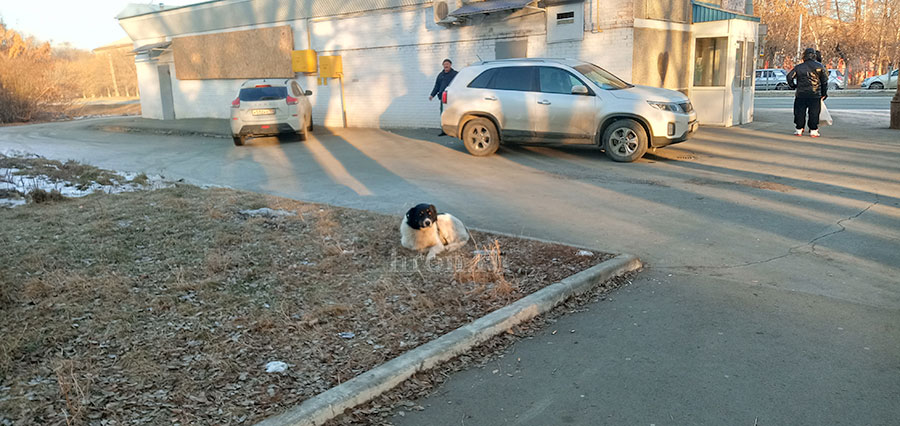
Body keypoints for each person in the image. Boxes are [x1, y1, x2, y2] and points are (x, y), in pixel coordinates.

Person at [786, 47, 828, 137]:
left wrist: (793, 86)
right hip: (815, 93)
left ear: (804, 56)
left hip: (801, 93)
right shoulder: (820, 66)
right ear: (814, 56)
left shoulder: (798, 67)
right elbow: (824, 81)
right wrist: (824, 93)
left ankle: (799, 129)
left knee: (799, 111)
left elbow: (789, 77)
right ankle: (813, 130)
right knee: (814, 112)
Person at [429, 59, 458, 136]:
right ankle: (444, 130)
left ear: (450, 65)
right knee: (443, 113)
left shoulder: (455, 74)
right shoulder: (440, 75)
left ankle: (453, 131)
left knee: (453, 113)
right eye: (444, 64)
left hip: (452, 97)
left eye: (447, 64)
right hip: (443, 98)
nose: (446, 65)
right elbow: (437, 86)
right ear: (443, 65)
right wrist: (432, 95)